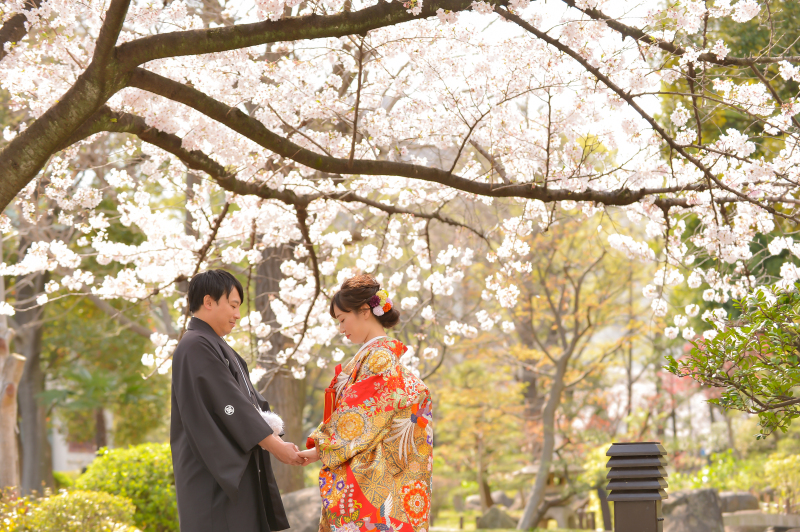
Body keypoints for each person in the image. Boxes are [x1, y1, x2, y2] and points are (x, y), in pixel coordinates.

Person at [170, 269, 305, 532]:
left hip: (231, 472)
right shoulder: (196, 345)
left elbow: (248, 403)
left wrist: (274, 437)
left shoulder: (211, 344)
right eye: (232, 305)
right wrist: (275, 446)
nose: (237, 315)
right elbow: (229, 404)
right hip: (213, 476)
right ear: (208, 302)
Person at [299, 274, 434, 532]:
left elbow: (358, 415)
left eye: (342, 319)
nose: (341, 328)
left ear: (364, 311)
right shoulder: (376, 355)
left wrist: (320, 449)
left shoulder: (379, 358)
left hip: (375, 481)